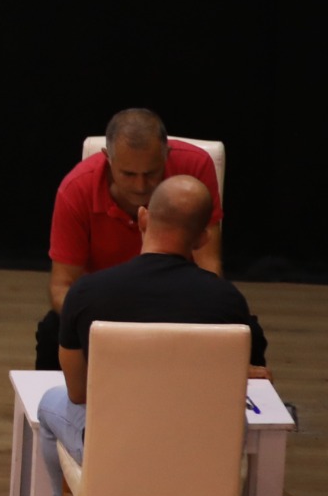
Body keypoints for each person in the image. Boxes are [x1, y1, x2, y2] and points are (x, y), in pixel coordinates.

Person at [36, 175, 267, 496]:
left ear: (143, 219)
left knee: (49, 406)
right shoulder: (226, 302)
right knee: (235, 422)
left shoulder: (88, 293)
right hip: (195, 463)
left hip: (113, 454)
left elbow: (78, 393)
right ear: (202, 237)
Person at [37, 108, 223, 370]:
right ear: (108, 159)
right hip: (106, 305)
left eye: (151, 173)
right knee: (52, 332)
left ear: (167, 155)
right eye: (128, 174)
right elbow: (61, 285)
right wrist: (105, 328)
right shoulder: (76, 190)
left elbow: (209, 266)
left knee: (247, 330)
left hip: (177, 300)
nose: (140, 186)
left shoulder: (195, 166)